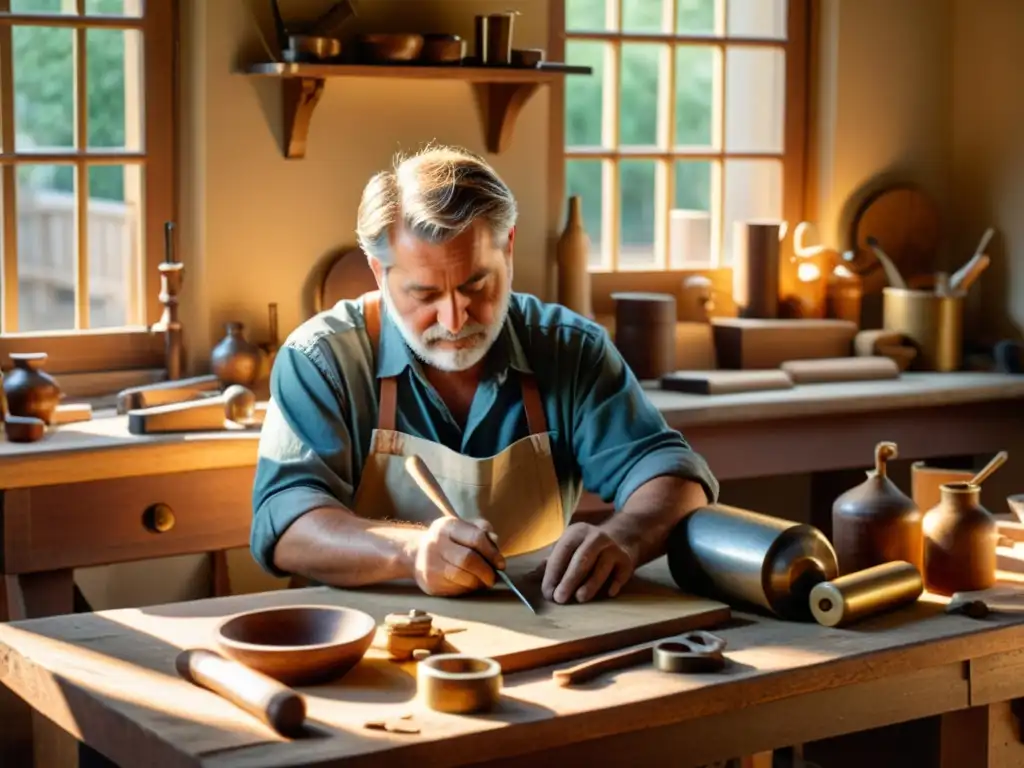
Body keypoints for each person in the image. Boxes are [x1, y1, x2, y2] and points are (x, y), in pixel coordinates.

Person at [251, 144, 719, 605]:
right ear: (379, 271)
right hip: (361, 643)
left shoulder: (569, 349)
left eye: (476, 284)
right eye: (424, 294)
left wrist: (627, 536)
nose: (455, 320)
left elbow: (672, 475)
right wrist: (408, 553)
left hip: (542, 630)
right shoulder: (321, 360)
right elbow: (286, 521)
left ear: (508, 248)